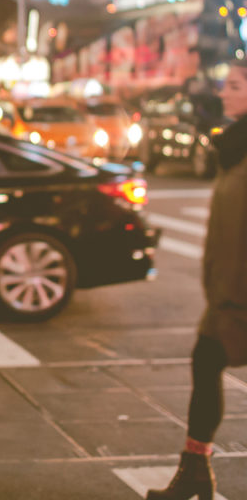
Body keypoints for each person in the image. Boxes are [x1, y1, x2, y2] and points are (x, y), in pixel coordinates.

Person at [146, 59, 247, 500]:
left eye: (235, 86)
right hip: (227, 291)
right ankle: (194, 469)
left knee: (207, 361)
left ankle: (194, 471)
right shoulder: (233, 146)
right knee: (205, 362)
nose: (223, 93)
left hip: (242, 293)